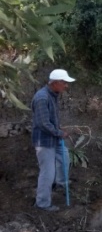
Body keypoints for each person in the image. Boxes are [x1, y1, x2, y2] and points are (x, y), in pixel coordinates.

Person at [32, 69, 76, 211]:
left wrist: (59, 128)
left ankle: (61, 183)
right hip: (44, 141)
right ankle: (42, 203)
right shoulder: (42, 98)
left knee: (64, 158)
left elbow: (50, 119)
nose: (66, 85)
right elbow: (43, 123)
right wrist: (59, 132)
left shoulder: (53, 94)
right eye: (64, 82)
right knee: (47, 173)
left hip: (54, 137)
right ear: (55, 83)